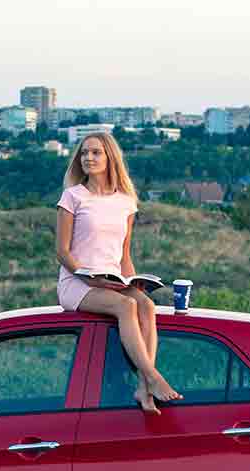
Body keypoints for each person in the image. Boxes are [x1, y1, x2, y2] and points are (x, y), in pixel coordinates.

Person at [55, 132, 182, 413]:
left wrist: (134, 283)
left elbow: (124, 256)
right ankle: (153, 377)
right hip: (78, 283)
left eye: (96, 153)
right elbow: (62, 252)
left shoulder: (126, 202)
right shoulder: (73, 196)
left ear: (110, 157)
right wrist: (86, 275)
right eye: (84, 153)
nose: (88, 158)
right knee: (126, 306)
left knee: (145, 305)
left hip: (113, 281)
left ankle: (142, 388)